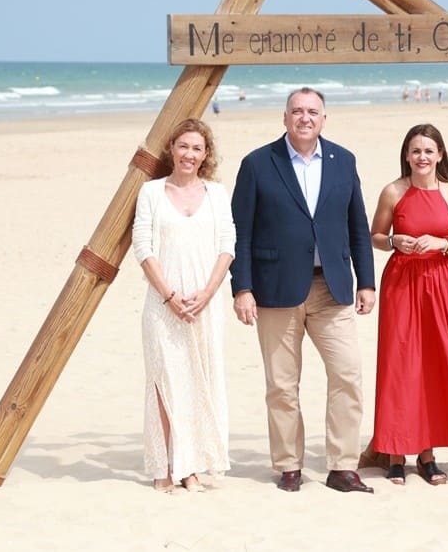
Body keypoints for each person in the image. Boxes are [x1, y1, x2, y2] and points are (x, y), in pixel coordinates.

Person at [230, 87, 377, 494]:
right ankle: (289, 465)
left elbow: (357, 227)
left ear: (324, 119)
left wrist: (366, 281)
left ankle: (343, 466)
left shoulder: (343, 161)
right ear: (285, 117)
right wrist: (242, 288)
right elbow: (240, 233)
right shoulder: (258, 164)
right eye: (297, 111)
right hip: (275, 289)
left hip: (332, 289)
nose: (305, 118)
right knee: (281, 384)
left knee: (348, 374)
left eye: (313, 111)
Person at [370, 124, 448, 486]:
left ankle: (426, 454)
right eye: (415, 151)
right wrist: (396, 240)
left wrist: (440, 245)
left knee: (434, 364)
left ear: (440, 154)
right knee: (399, 363)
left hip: (442, 284)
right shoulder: (393, 191)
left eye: (429, 150)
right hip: (402, 282)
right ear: (406, 155)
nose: (422, 157)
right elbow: (375, 236)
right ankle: (395, 453)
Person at [131, 118, 235, 493]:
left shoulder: (218, 193)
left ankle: (190, 466)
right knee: (164, 382)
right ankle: (164, 465)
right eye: (183, 146)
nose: (189, 154)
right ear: (171, 149)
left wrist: (207, 293)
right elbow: (143, 247)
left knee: (197, 381)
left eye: (197, 148)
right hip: (163, 306)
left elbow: (227, 246)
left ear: (206, 154)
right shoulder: (151, 193)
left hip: (205, 305)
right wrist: (170, 296)